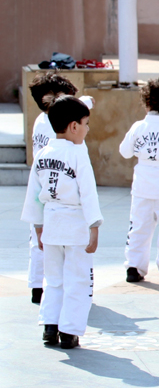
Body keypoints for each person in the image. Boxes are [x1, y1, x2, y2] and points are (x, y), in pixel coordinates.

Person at [22, 96, 102, 350]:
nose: (88, 129)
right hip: (76, 223)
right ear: (74, 126)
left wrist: (37, 226)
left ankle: (49, 326)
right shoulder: (78, 153)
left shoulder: (44, 152)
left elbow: (34, 193)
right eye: (86, 123)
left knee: (53, 278)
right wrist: (94, 226)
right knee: (78, 278)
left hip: (51, 223)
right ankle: (69, 331)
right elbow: (88, 192)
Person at [26, 72, 93, 304]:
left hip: (44, 184)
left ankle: (37, 286)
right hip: (65, 193)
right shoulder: (64, 133)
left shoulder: (40, 120)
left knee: (40, 241)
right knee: (67, 251)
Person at [119, 76, 159, 283]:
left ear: (146, 101)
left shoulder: (139, 126)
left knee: (139, 226)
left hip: (142, 184)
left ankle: (134, 266)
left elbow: (124, 152)